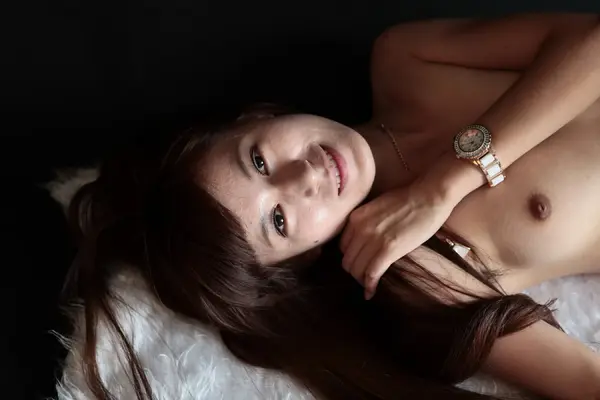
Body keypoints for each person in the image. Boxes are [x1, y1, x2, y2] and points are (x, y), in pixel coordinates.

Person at [66, 13, 600, 400]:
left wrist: (442, 186)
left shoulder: (405, 59)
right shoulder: (415, 270)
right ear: (301, 258)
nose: (304, 177)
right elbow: (586, 382)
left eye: (258, 160)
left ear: (255, 118)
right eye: (278, 221)